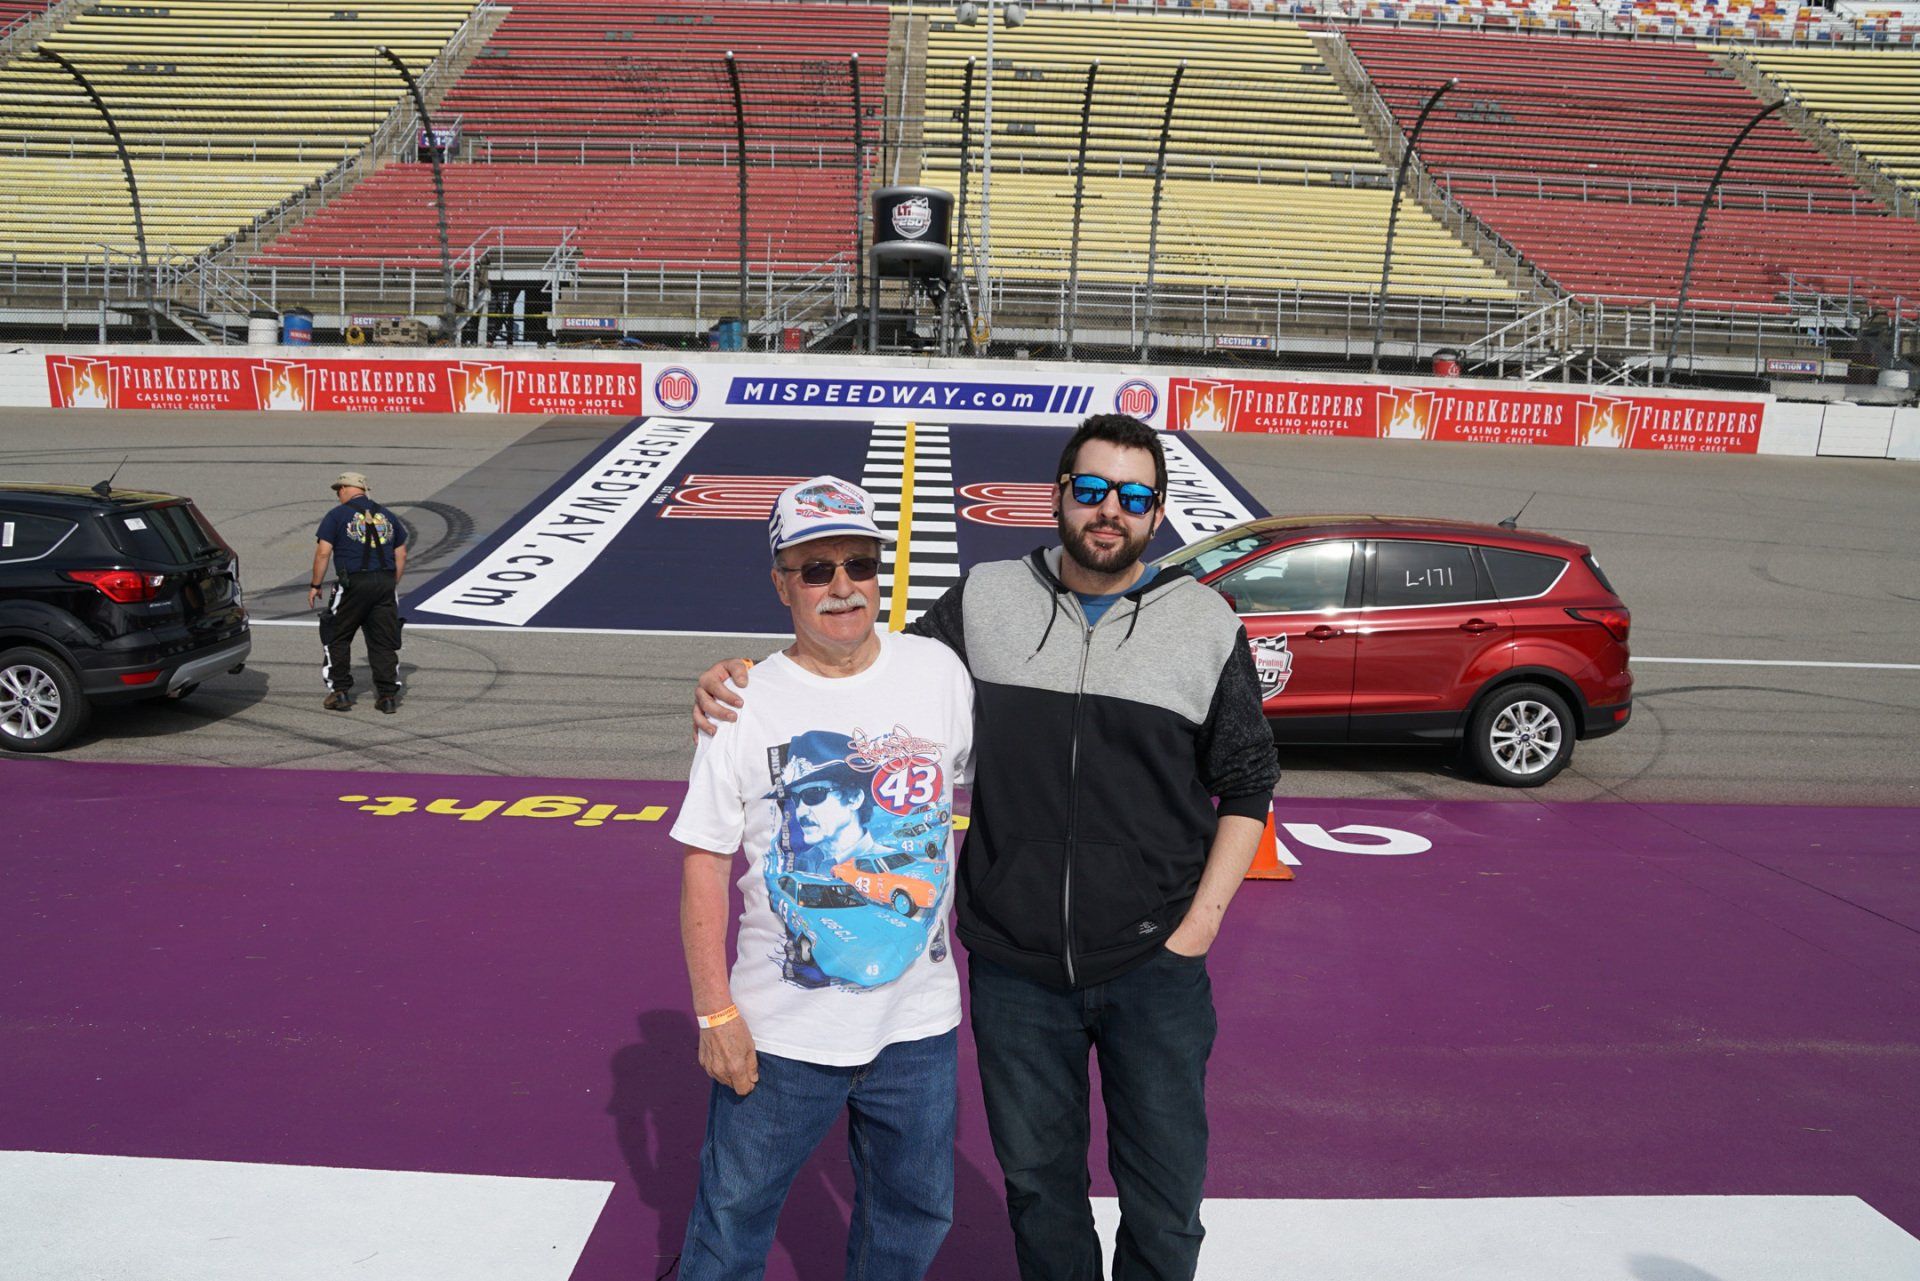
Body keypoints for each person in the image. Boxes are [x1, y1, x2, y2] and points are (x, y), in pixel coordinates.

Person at [696, 415, 1280, 1280]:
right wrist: (736, 682)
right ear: (1058, 498)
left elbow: (1248, 780)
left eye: (1131, 496)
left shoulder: (1203, 624)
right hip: (1017, 973)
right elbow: (866, 676)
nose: (1107, 511)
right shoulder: (985, 598)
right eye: (1089, 491)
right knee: (1041, 1188)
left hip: (1154, 968)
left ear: (1156, 515)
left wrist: (1197, 926)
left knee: (1165, 1196)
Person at [672, 475, 974, 1281]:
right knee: (730, 1225)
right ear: (782, 583)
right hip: (780, 1034)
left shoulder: (939, 671)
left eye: (861, 563)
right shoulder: (742, 701)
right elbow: (703, 859)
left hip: (918, 1025)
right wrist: (714, 1011)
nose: (842, 585)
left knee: (913, 1218)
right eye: (815, 569)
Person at [307, 470, 408, 714]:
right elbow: (401, 553)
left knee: (336, 634)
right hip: (384, 582)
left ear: (343, 489)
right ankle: (387, 697)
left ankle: (340, 692)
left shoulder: (337, 515)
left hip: (352, 583)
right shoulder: (388, 515)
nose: (337, 496)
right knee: (383, 639)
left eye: (337, 491)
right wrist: (390, 582)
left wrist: (315, 584)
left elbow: (323, 552)